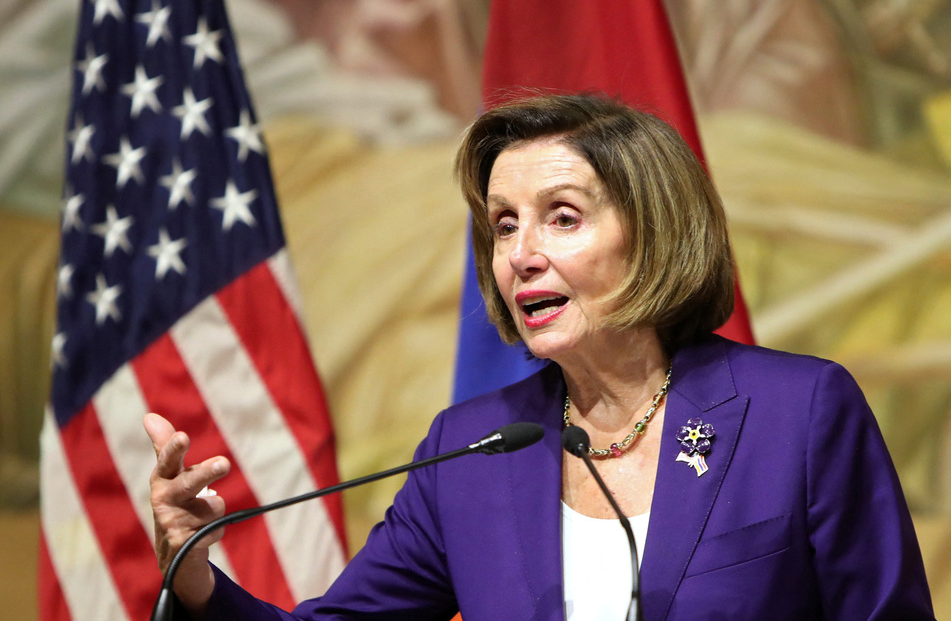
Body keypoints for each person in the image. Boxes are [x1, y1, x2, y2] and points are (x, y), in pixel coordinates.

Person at [145, 93, 934, 620]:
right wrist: (194, 576)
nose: (520, 253)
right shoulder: (469, 449)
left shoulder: (796, 411)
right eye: (503, 225)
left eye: (560, 218)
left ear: (652, 230)